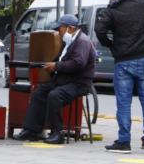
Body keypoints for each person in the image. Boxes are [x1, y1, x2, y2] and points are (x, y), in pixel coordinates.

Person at [95, 0, 144, 155]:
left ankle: (124, 142)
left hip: (123, 61)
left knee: (124, 104)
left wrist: (111, 45)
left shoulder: (112, 8)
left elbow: (99, 30)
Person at [13, 14, 95, 145]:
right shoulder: (69, 41)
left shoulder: (82, 41)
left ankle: (58, 133)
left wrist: (56, 66)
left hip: (78, 83)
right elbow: (60, 59)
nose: (59, 32)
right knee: (39, 92)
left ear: (70, 28)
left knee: (54, 96)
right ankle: (32, 130)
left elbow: (78, 63)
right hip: (64, 79)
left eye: (60, 29)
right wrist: (51, 65)